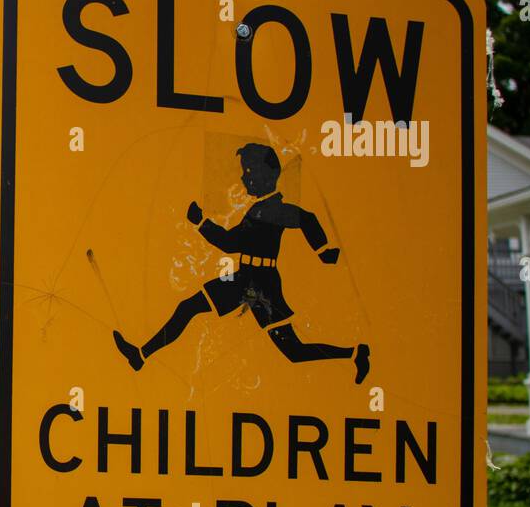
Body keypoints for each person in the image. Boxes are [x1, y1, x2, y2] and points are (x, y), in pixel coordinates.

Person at [112, 142, 370, 384]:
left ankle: (354, 353)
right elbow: (245, 239)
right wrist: (323, 251)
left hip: (262, 286)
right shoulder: (259, 209)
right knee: (188, 307)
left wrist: (324, 251)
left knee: (293, 351)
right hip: (245, 278)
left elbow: (300, 220)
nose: (243, 178)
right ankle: (140, 355)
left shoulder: (271, 209)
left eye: (248, 171)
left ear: (265, 174)